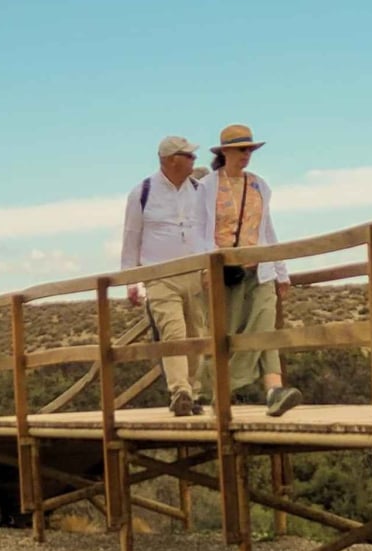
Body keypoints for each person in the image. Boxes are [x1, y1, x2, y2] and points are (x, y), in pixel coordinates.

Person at [197, 124, 302, 417]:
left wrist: (281, 270)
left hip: (260, 268)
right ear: (225, 152)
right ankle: (217, 391)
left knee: (265, 325)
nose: (247, 155)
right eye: (241, 149)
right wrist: (207, 266)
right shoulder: (206, 186)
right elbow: (199, 230)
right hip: (224, 271)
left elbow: (267, 229)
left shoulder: (259, 185)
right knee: (226, 333)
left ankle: (274, 390)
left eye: (250, 150)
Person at [120, 134, 208, 417]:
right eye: (189, 156)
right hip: (160, 276)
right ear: (171, 160)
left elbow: (208, 233)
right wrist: (130, 280)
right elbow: (131, 237)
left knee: (197, 334)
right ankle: (180, 390)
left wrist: (209, 268)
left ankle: (192, 391)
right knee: (174, 332)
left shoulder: (200, 190)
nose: (194, 160)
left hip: (195, 272)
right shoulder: (142, 192)